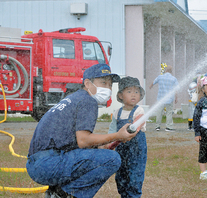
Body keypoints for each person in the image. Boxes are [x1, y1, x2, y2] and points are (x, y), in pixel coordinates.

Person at [26, 64, 142, 198]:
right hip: (47, 164)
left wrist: (99, 146)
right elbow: (83, 140)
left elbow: (71, 141)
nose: (108, 88)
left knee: (98, 154)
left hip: (38, 164)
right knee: (112, 159)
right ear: (87, 83)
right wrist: (118, 135)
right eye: (103, 82)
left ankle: (56, 191)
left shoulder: (75, 98)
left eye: (110, 85)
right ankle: (64, 195)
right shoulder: (87, 101)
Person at [107, 76, 147, 198]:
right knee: (121, 176)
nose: (133, 94)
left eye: (136, 91)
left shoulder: (139, 111)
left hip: (136, 151)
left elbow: (136, 127)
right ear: (120, 95)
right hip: (121, 151)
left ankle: (134, 195)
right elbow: (112, 130)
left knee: (135, 176)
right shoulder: (116, 113)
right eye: (129, 91)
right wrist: (109, 143)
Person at [149, 65, 179, 131]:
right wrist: (176, 98)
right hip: (170, 98)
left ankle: (157, 126)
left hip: (160, 98)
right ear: (171, 71)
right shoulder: (173, 78)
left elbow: (153, 83)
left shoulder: (160, 77)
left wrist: (150, 87)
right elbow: (176, 89)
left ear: (165, 70)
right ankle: (168, 127)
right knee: (169, 112)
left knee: (159, 112)